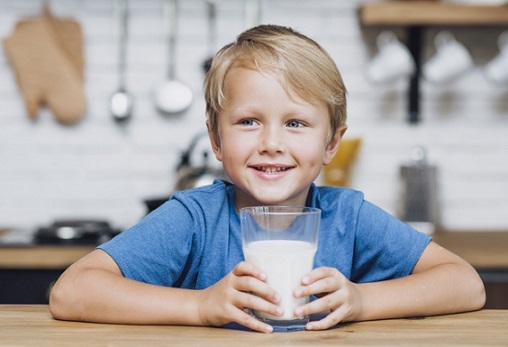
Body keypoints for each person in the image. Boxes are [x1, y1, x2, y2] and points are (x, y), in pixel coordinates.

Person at [49, 25, 485, 334]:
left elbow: (464, 283)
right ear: (216, 139)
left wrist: (365, 300)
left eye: (295, 123)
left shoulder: (347, 216)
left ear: (332, 144)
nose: (272, 143)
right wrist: (200, 306)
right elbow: (71, 292)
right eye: (248, 121)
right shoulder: (194, 219)